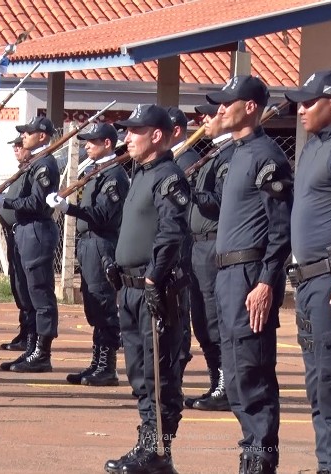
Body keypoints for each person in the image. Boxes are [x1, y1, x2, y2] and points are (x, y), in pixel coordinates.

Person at [207, 75, 292, 473]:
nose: (220, 109)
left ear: (251, 107)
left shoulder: (266, 155)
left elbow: (281, 228)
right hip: (226, 274)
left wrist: (265, 283)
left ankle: (262, 456)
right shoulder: (235, 154)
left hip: (248, 275)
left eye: (228, 102)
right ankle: (250, 448)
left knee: (252, 369)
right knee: (235, 369)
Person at [100, 104, 190, 473]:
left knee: (159, 374)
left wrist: (154, 276)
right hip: (131, 288)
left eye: (134, 131)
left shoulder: (168, 176)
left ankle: (158, 451)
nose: (126, 138)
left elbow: (171, 232)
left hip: (156, 290)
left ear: (156, 135)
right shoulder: (140, 174)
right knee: (140, 373)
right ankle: (150, 446)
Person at [285, 69, 331, 474]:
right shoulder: (313, 146)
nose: (301, 109)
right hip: (307, 282)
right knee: (316, 384)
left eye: (310, 102)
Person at [48, 122, 129, 386]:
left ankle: (107, 366)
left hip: (102, 244)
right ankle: (97, 363)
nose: (87, 146)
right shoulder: (96, 171)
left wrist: (69, 208)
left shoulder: (113, 176)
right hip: (88, 244)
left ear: (108, 143)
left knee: (104, 305)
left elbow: (103, 215)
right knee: (93, 306)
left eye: (92, 142)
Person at [0, 116, 59, 373]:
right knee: (27, 293)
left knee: (40, 293)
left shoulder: (44, 165)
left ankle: (42, 352)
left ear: (41, 136)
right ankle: (31, 347)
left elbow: (37, 203)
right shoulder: (33, 163)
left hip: (36, 231)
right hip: (24, 231)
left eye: (28, 133)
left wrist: (5, 203)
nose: (23, 137)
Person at [184, 104, 233, 412]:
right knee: (201, 322)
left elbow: (221, 203)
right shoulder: (213, 155)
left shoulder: (229, 158)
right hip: (197, 247)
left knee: (215, 321)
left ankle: (225, 386)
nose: (204, 120)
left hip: (214, 245)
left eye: (210, 114)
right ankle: (216, 381)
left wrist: (189, 191)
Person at [168, 107, 198, 375]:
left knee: (180, 302)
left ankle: (180, 356)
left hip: (183, 241)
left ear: (176, 131)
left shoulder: (187, 159)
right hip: (170, 239)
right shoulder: (172, 159)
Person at [0, 134, 33, 352]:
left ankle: (32, 335)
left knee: (29, 288)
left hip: (28, 234)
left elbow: (33, 202)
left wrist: (7, 202)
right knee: (18, 286)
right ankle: (24, 331)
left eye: (20, 145)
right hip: (14, 235)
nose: (16, 149)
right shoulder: (21, 170)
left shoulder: (34, 170)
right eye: (15, 145)